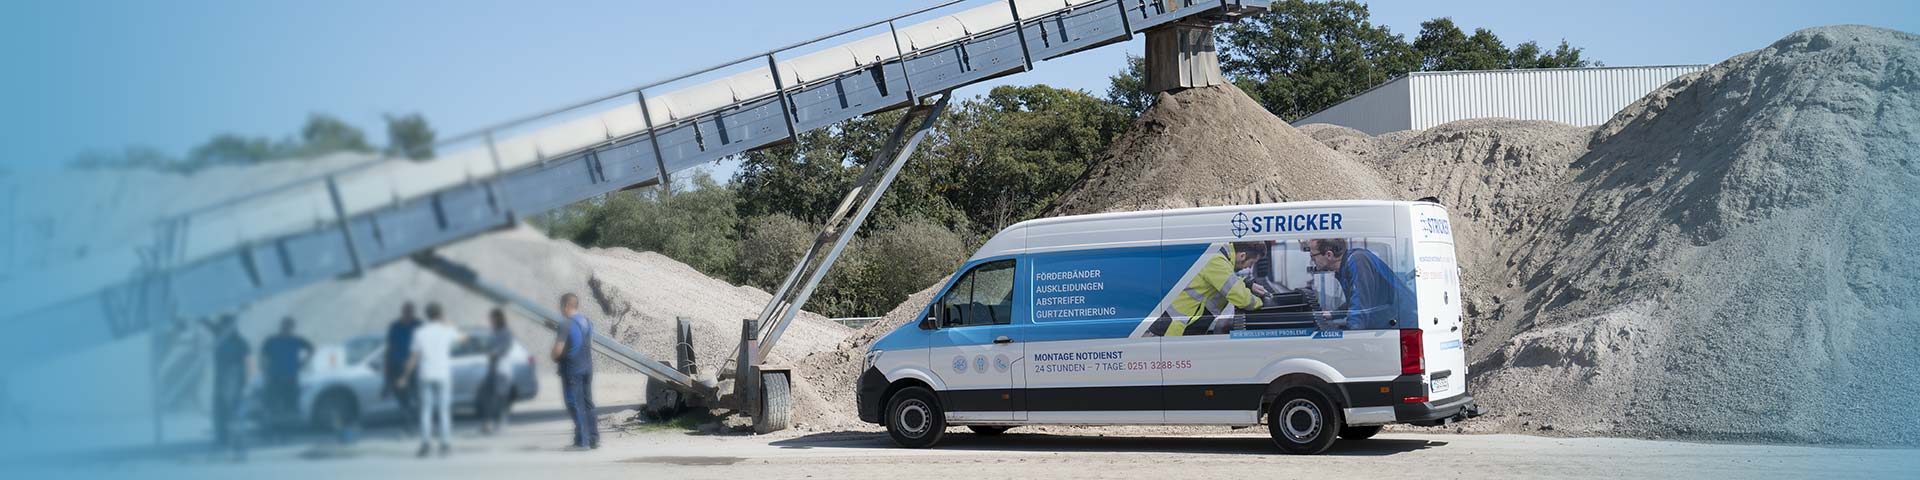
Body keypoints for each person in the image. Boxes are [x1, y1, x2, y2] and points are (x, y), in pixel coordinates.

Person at [1148, 241, 1269, 336]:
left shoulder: (1219, 256)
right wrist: (1263, 303)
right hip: (1175, 329)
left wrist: (1249, 284)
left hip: (1182, 326)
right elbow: (1242, 299)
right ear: (1243, 255)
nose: (1248, 268)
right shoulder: (1216, 260)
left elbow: (1227, 280)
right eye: (1251, 263)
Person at [1308, 238, 1417, 330]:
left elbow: (1359, 303)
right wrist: (1333, 314)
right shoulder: (1349, 264)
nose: (1312, 260)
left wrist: (1353, 336)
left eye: (1313, 256)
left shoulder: (1358, 260)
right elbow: (1356, 299)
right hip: (1393, 323)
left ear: (1329, 255)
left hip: (1403, 324)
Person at [399, 302, 462, 458]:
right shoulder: (447, 330)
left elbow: (413, 357)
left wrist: (405, 376)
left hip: (425, 374)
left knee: (426, 411)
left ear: (426, 315)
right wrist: (449, 323)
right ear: (440, 314)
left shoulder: (419, 332)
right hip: (443, 374)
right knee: (443, 411)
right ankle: (445, 444)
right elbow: (463, 340)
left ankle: (426, 444)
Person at [553, 293, 598, 450]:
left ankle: (582, 441)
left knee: (573, 402)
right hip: (587, 366)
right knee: (587, 402)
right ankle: (593, 438)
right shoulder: (587, 322)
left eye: (561, 307)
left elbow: (558, 350)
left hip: (572, 368)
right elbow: (587, 343)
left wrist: (554, 356)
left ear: (566, 306)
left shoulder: (565, 324)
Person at [206, 314, 250, 461]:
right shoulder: (220, 336)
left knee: (236, 415)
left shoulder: (240, 342)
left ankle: (238, 447)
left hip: (235, 380)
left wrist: (246, 381)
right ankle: (224, 442)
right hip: (221, 381)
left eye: (227, 324)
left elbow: (248, 361)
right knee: (221, 413)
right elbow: (209, 325)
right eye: (223, 325)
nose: (224, 327)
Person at [259, 317, 313, 424]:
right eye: (285, 326)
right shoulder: (271, 341)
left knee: (291, 404)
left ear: (292, 328)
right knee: (273, 404)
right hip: (275, 376)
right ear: (281, 326)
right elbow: (263, 356)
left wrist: (304, 362)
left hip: (291, 376)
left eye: (289, 326)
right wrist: (265, 370)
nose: (286, 328)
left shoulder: (296, 340)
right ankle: (273, 427)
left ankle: (288, 427)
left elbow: (311, 348)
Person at [383, 302, 421, 431]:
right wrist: (387, 369)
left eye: (410, 311)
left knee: (418, 395)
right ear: (403, 312)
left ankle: (420, 421)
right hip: (398, 367)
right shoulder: (395, 326)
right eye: (406, 311)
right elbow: (389, 348)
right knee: (402, 396)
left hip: (416, 367)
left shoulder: (419, 325)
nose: (408, 313)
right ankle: (408, 422)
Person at [479, 308, 515, 434]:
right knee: (487, 396)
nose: (490, 321)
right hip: (492, 369)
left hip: (502, 370)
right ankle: (488, 423)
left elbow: (505, 348)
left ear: (498, 318)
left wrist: (493, 353)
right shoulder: (493, 332)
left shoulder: (505, 332)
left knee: (501, 396)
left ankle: (500, 422)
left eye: (492, 318)